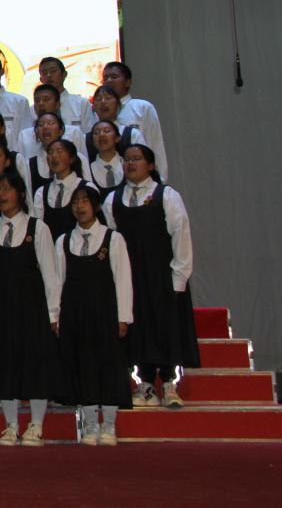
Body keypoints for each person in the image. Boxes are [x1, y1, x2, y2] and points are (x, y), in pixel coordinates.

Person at [101, 144, 198, 409]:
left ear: (151, 165)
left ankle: (168, 383)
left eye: (137, 159)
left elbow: (181, 236)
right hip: (130, 278)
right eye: (126, 159)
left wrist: (179, 278)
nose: (130, 163)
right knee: (138, 329)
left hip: (162, 276)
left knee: (165, 328)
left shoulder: (167, 196)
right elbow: (111, 240)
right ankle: (144, 384)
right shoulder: (113, 200)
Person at [0, 173, 63, 448]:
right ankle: (11, 424)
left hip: (32, 305)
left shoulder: (38, 228)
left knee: (35, 362)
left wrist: (53, 313)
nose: (2, 194)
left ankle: (36, 425)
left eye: (8, 189)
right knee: (5, 362)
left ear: (21, 194)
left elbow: (50, 274)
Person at [56, 185, 133, 446]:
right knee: (83, 366)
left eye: (85, 201)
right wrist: (56, 316)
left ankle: (109, 424)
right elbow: (57, 282)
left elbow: (123, 279)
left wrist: (123, 317)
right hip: (75, 315)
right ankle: (90, 424)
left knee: (109, 367)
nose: (80, 206)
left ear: (96, 206)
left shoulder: (113, 239)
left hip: (105, 313)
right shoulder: (63, 241)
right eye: (75, 202)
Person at [103, 61, 169, 181]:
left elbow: (155, 144)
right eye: (105, 78)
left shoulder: (142, 107)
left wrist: (160, 179)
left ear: (128, 82)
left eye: (114, 77)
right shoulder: (98, 111)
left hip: (141, 176)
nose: (109, 81)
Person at [33, 139, 89, 241]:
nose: (54, 156)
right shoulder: (41, 192)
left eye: (59, 152)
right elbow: (38, 230)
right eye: (50, 152)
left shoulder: (87, 188)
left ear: (71, 158)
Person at [38, 56, 94, 134]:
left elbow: (89, 134)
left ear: (64, 74)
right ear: (41, 79)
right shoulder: (35, 109)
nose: (49, 75)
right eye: (44, 73)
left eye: (53, 71)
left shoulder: (81, 103)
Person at [86, 120, 126, 195]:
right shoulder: (87, 170)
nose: (101, 135)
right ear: (92, 142)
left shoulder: (128, 165)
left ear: (117, 138)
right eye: (96, 133)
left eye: (107, 131)